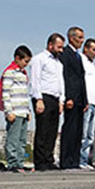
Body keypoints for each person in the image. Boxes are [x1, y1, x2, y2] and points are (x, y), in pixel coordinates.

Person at [29, 33, 65, 171]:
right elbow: (35, 80)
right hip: (43, 97)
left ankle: (49, 159)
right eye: (59, 47)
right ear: (50, 45)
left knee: (52, 131)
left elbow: (61, 82)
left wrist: (61, 100)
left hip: (55, 99)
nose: (61, 50)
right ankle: (40, 161)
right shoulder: (39, 59)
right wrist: (38, 99)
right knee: (42, 130)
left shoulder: (58, 63)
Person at [58, 26, 88, 169]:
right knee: (69, 130)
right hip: (71, 99)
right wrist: (67, 97)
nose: (82, 41)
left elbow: (81, 79)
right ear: (71, 37)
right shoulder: (66, 54)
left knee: (78, 132)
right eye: (80, 38)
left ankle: (74, 161)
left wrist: (85, 100)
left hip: (80, 100)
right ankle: (66, 160)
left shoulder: (78, 56)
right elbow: (65, 77)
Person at [1, 45, 33, 172]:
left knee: (22, 140)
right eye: (25, 61)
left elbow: (25, 94)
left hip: (23, 111)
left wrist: (28, 110)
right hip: (14, 112)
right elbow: (5, 93)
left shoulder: (23, 74)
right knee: (13, 139)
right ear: (17, 58)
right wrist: (8, 111)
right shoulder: (9, 73)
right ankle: (12, 163)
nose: (26, 64)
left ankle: (20, 162)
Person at [79, 38, 95, 169]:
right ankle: (79, 159)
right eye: (93, 50)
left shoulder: (92, 65)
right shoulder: (81, 61)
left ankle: (84, 159)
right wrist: (84, 100)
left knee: (89, 135)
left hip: (93, 103)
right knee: (82, 134)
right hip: (86, 103)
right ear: (86, 49)